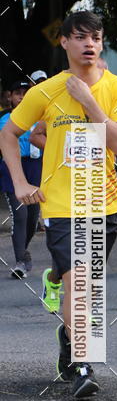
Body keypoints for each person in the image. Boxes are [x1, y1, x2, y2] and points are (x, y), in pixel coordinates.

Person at [0, 10, 117, 399]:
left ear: (102, 42)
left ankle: (68, 335)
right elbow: (9, 133)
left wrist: (88, 101)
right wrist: (21, 181)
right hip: (61, 204)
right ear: (64, 42)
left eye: (95, 37)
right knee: (80, 283)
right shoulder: (45, 91)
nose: (89, 44)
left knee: (88, 286)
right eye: (80, 37)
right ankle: (84, 364)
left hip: (105, 202)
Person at [0, 80, 43, 277]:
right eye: (18, 93)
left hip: (35, 167)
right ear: (10, 96)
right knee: (20, 214)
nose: (22, 97)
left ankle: (23, 253)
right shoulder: (4, 118)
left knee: (32, 218)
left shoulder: (40, 117)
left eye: (26, 93)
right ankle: (20, 263)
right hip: (12, 168)